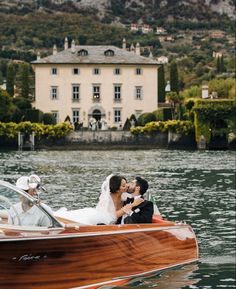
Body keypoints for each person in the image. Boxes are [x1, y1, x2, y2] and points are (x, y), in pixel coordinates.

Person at [54, 174, 143, 225]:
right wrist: (132, 205)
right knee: (78, 221)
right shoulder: (109, 199)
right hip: (99, 218)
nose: (127, 185)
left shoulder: (124, 195)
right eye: (123, 185)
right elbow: (112, 216)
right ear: (117, 189)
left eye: (126, 183)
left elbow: (136, 194)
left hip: (110, 220)